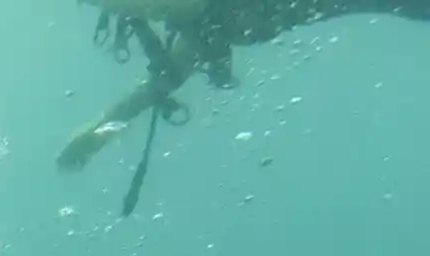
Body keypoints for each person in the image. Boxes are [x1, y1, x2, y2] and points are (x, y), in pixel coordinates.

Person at [60, 0, 430, 211]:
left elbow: (158, 85)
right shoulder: (201, 30)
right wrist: (95, 136)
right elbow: (156, 87)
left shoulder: (201, 26)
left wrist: (94, 137)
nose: (153, 15)